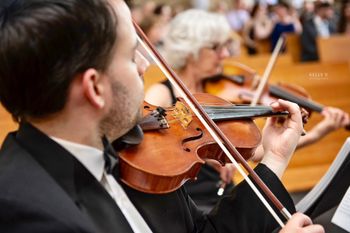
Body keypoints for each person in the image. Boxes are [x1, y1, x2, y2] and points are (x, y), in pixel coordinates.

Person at [0, 0, 324, 233]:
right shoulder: (28, 214)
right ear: (94, 88)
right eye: (130, 55)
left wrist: (275, 157)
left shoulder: (131, 153)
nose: (145, 65)